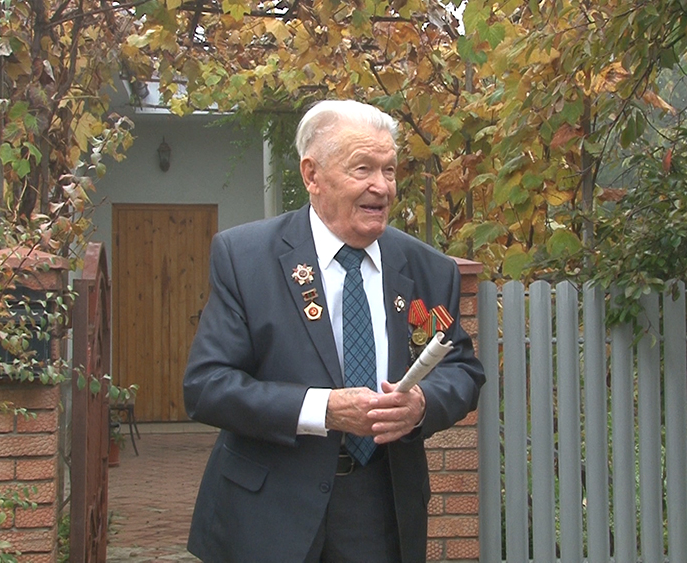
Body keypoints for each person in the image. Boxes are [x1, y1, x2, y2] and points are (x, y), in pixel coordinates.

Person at [182, 99, 485, 563]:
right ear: (312, 175)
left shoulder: (425, 269)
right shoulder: (246, 258)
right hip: (268, 513)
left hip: (381, 509)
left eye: (389, 170)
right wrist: (322, 409)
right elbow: (207, 386)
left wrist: (421, 405)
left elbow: (459, 366)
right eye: (363, 168)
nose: (381, 186)